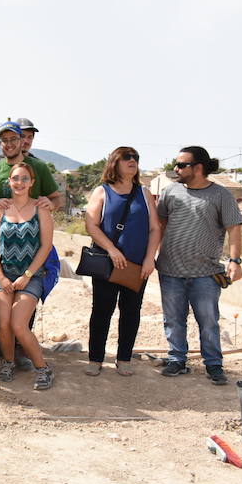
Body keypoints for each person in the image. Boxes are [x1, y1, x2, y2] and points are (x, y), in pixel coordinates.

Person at [157, 146, 242, 385]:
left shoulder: (221, 195)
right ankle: (177, 360)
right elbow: (159, 226)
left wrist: (235, 261)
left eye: (181, 165)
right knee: (173, 319)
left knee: (208, 321)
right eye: (176, 164)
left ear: (198, 168)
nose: (176, 169)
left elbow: (234, 228)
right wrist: (149, 256)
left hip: (206, 273)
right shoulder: (170, 192)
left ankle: (214, 365)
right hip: (170, 270)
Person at [83, 147, 161, 376]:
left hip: (136, 266)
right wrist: (112, 250)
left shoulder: (144, 194)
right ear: (114, 163)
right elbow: (91, 225)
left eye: (136, 158)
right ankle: (95, 358)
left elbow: (155, 228)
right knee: (101, 312)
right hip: (107, 264)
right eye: (127, 158)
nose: (132, 161)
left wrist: (150, 259)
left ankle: (124, 359)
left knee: (131, 312)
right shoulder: (102, 191)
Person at [0, 162, 55, 390]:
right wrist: (0, 276)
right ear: (9, 181)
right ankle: (8, 362)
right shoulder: (1, 208)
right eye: (15, 178)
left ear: (32, 182)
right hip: (3, 275)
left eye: (24, 179)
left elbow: (46, 247)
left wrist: (26, 276)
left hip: (31, 276)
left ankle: (43, 368)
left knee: (18, 324)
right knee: (3, 324)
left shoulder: (41, 209)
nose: (19, 183)